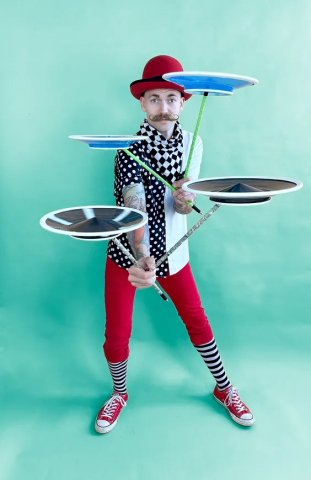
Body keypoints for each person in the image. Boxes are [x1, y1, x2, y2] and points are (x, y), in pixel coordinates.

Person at [95, 55, 254, 434]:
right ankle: (119, 393)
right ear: (142, 102)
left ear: (183, 102)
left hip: (176, 252)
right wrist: (141, 261)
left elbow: (182, 204)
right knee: (116, 333)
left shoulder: (193, 142)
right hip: (128, 255)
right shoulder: (128, 148)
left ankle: (224, 388)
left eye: (171, 98)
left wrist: (184, 198)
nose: (163, 107)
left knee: (197, 321)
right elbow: (132, 204)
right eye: (154, 98)